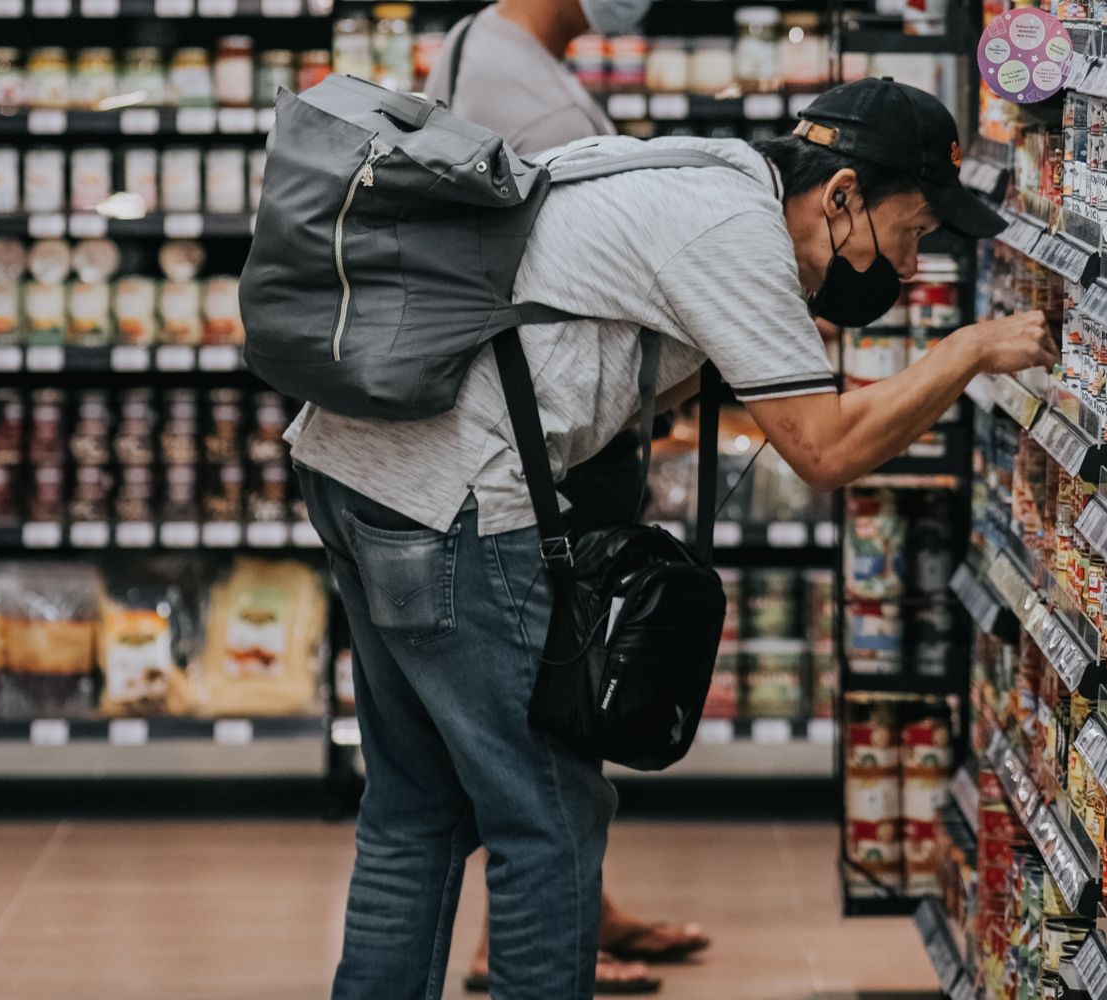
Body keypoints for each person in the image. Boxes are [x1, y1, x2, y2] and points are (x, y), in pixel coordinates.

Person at [289, 76, 1058, 1000]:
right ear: (844, 195)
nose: (910, 264)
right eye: (916, 231)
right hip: (452, 502)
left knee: (415, 808)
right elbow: (825, 451)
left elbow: (582, 341)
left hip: (353, 468)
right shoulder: (733, 231)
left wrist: (733, 357)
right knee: (549, 821)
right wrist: (963, 351)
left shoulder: (698, 172)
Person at [428, 0, 708, 992]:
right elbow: (586, 278)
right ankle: (523, 938)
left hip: (520, 439)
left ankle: (588, 906)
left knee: (536, 720)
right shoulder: (523, 86)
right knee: (554, 709)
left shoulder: (490, 48)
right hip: (543, 452)